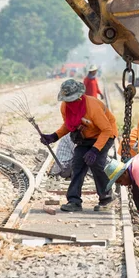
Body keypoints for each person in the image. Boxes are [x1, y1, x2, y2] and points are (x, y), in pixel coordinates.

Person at [40, 79, 117, 212]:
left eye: (72, 100)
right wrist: (54, 136)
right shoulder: (65, 107)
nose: (69, 103)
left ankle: (107, 198)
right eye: (67, 100)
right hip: (85, 137)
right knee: (77, 163)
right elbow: (68, 126)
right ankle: (74, 201)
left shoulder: (92, 107)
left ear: (80, 97)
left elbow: (107, 130)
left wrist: (94, 150)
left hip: (104, 135)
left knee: (97, 163)